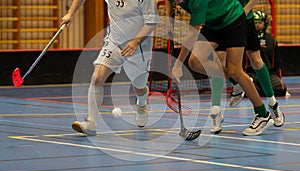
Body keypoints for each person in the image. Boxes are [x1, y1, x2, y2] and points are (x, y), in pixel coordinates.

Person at [166, 0, 273, 136]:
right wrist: (169, 21)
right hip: (212, 24)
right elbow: (168, 1)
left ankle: (262, 114)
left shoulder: (197, 1)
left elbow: (192, 34)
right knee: (195, 62)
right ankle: (237, 82)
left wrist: (178, 65)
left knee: (235, 70)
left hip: (233, 19)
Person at [61, 0, 159, 135]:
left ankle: (142, 101)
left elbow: (152, 22)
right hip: (115, 42)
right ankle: (91, 123)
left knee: (139, 87)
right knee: (97, 77)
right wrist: (70, 14)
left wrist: (135, 42)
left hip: (139, 47)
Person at [245, 10, 287, 97]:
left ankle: (262, 91)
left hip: (270, 73)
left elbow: (277, 62)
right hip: (252, 73)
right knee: (246, 88)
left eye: (260, 22)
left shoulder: (272, 40)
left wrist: (278, 76)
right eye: (255, 22)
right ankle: (263, 91)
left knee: (280, 88)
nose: (257, 25)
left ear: (265, 23)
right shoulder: (247, 39)